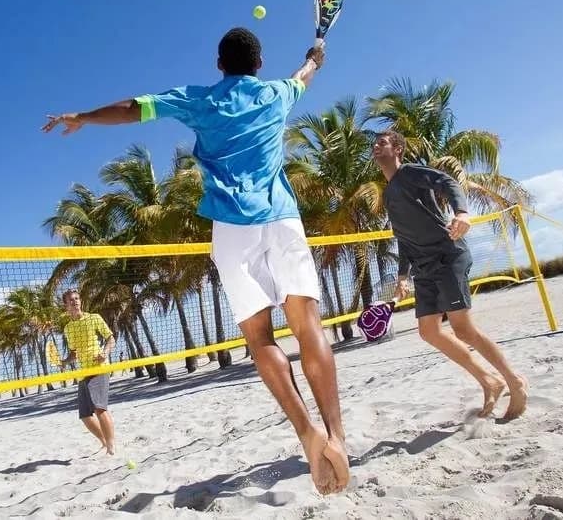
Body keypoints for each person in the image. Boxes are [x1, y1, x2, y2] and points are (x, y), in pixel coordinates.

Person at [43, 28, 349, 494]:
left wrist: (84, 117)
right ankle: (338, 436)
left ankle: (308, 433)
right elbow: (303, 75)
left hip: (232, 228)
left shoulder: (200, 99)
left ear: (218, 64)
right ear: (259, 63)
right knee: (309, 328)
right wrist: (314, 58)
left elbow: (134, 109)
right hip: (283, 220)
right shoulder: (276, 93)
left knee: (260, 338)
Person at [371, 130, 528, 420]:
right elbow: (403, 237)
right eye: (375, 144)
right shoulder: (389, 192)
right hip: (423, 268)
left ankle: (514, 380)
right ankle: (489, 382)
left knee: (463, 329)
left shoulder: (409, 173)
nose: (376, 147)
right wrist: (403, 275)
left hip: (447, 255)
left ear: (398, 150)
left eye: (382, 143)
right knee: (429, 332)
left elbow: (447, 181)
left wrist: (462, 212)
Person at [60, 289, 117, 455]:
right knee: (85, 415)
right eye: (71, 300)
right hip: (83, 372)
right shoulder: (68, 328)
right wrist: (64, 361)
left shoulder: (94, 318)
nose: (75, 302)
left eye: (77, 299)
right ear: (66, 306)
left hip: (99, 368)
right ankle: (104, 442)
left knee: (100, 408)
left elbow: (110, 339)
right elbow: (74, 353)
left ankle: (112, 447)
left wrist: (104, 353)